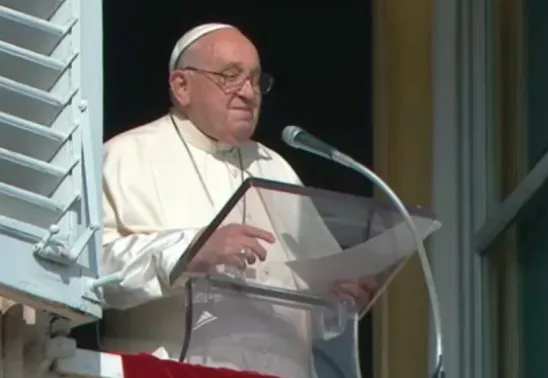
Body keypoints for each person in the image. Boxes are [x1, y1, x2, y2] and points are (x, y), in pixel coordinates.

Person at [99, 23, 376, 377]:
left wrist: (337, 298)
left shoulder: (277, 168)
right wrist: (186, 253)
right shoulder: (127, 156)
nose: (248, 92)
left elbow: (308, 299)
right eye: (230, 76)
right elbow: (93, 271)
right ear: (181, 86)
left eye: (256, 80)